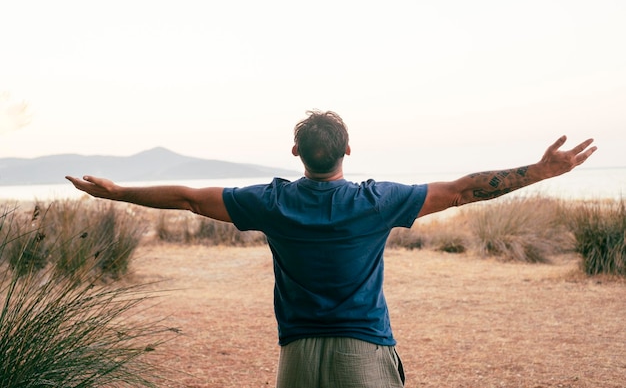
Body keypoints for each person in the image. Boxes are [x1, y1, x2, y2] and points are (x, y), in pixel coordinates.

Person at [66, 110, 596, 388]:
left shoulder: (269, 203)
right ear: (347, 149)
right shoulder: (375, 201)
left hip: (296, 356)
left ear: (296, 151)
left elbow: (187, 198)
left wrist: (118, 192)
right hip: (364, 351)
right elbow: (462, 189)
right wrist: (540, 172)